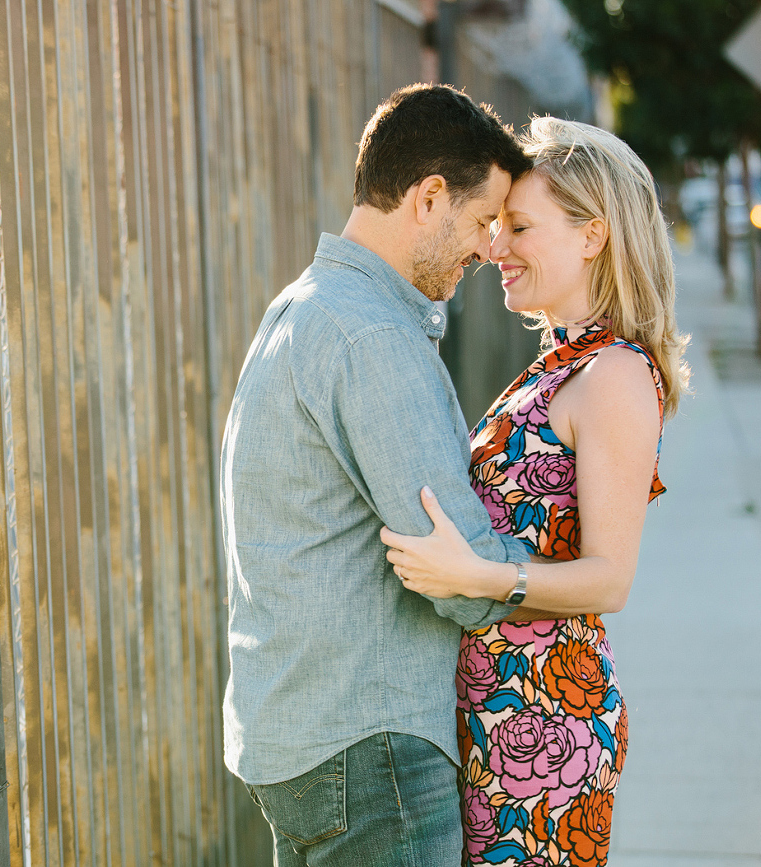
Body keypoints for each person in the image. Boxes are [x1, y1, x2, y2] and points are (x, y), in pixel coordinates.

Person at [220, 83, 534, 865]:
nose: (490, 247)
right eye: (482, 220)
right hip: (371, 751)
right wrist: (554, 577)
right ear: (429, 197)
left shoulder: (304, 307)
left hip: (307, 739)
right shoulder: (372, 337)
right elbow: (460, 575)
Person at [382, 117, 689, 867]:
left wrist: (477, 577)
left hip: (544, 728)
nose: (493, 248)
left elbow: (609, 577)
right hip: (497, 714)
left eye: (517, 225)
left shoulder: (612, 373)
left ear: (591, 236)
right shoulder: (560, 363)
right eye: (494, 226)